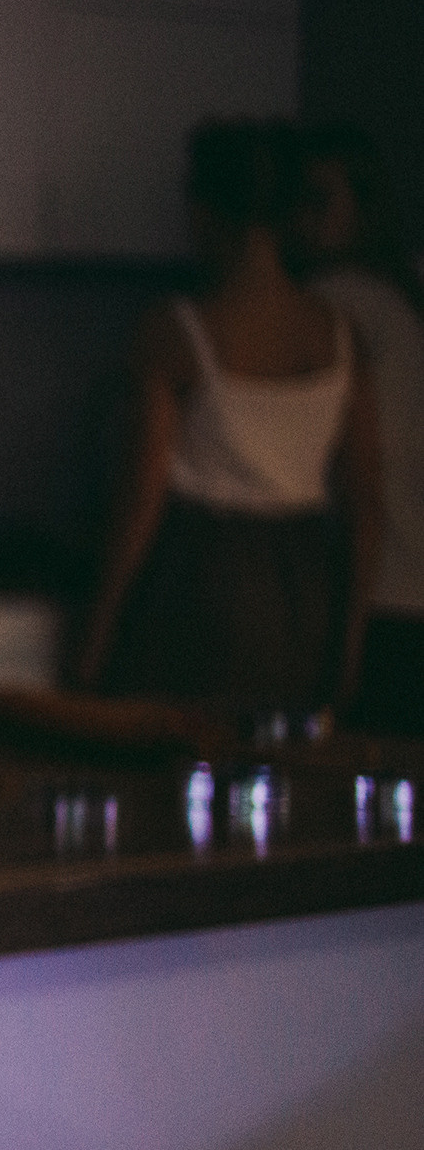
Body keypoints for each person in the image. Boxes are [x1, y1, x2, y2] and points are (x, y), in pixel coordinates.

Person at [79, 119, 380, 714]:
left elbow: (141, 497)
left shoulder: (177, 330)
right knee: (278, 761)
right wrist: (350, 646)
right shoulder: (342, 337)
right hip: (302, 580)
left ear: (206, 211)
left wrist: (96, 632)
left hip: (199, 571)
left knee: (180, 756)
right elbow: (365, 506)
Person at [296, 123, 424, 733]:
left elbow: (359, 487)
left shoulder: (338, 305)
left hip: (377, 590)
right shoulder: (401, 297)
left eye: (319, 200)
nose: (301, 218)